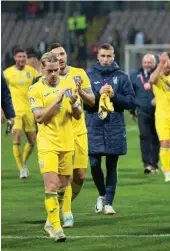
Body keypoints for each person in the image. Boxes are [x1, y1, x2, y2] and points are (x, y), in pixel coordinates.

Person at [29, 52, 83, 242]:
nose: (54, 74)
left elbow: (77, 115)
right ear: (42, 69)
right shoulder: (35, 90)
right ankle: (57, 228)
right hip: (47, 144)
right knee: (51, 185)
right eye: (50, 70)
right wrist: (57, 101)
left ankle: (49, 222)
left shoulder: (68, 85)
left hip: (67, 142)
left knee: (62, 185)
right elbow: (39, 118)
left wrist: (76, 105)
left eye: (57, 70)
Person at [47, 43, 95, 227]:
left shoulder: (79, 73)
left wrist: (79, 91)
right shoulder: (48, 79)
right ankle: (67, 212)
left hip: (79, 130)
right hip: (60, 132)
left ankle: (62, 204)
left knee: (81, 176)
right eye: (56, 55)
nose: (60, 57)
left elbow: (91, 101)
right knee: (64, 177)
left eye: (62, 53)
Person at [86, 43, 135, 215]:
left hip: (114, 125)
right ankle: (102, 194)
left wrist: (115, 96)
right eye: (103, 56)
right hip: (94, 125)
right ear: (98, 57)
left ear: (114, 56)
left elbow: (131, 102)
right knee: (93, 164)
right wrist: (98, 94)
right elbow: (85, 102)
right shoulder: (89, 76)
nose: (106, 59)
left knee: (112, 166)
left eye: (109, 56)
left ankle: (109, 203)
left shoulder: (122, 77)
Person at [3, 48, 39, 179]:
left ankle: (23, 161)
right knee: (16, 135)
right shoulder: (7, 73)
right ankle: (21, 168)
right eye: (19, 57)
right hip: (15, 112)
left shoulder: (32, 72)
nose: (22, 59)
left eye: (24, 57)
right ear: (14, 58)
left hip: (29, 111)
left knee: (32, 141)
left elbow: (41, 82)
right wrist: (2, 111)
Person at [149, 52, 170, 182]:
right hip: (162, 115)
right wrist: (161, 64)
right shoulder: (158, 76)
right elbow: (151, 80)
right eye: (163, 64)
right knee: (164, 142)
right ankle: (167, 171)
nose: (165, 67)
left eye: (168, 64)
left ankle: (165, 164)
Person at [130, 54, 160, 174]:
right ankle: (146, 164)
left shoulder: (160, 74)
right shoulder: (134, 76)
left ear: (154, 63)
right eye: (145, 62)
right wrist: (132, 111)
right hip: (142, 111)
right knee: (144, 136)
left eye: (150, 62)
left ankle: (154, 163)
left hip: (158, 111)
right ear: (142, 63)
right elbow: (131, 94)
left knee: (155, 137)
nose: (147, 64)